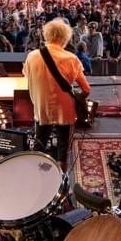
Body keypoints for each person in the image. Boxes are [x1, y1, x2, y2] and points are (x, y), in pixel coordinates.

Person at [24, 17, 90, 170]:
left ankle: (36, 173)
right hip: (65, 109)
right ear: (65, 38)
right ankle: (62, 178)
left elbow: (27, 77)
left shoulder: (32, 56)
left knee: (40, 141)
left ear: (46, 35)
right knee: (63, 145)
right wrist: (79, 98)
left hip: (41, 106)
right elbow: (86, 89)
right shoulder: (71, 58)